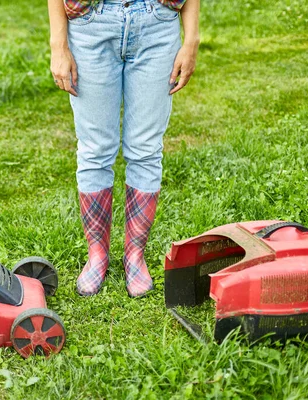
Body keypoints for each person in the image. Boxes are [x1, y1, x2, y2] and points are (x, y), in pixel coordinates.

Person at [47, 0, 200, 297]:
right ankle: (97, 256)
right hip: (91, 25)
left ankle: (135, 257)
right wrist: (58, 44)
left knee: (145, 150)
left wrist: (191, 38)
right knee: (94, 150)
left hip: (156, 24)